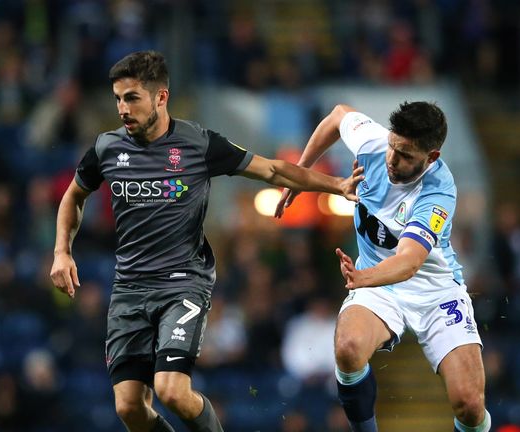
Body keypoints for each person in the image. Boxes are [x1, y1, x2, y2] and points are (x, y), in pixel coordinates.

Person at [49, 50, 364, 432]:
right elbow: (74, 195)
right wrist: (62, 251)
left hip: (183, 284)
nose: (122, 109)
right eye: (117, 99)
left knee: (171, 391)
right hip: (129, 289)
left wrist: (336, 184)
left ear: (161, 97)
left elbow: (272, 169)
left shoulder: (198, 143)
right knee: (129, 408)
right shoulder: (107, 148)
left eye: (131, 98)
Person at [275, 102, 490, 432]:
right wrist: (300, 174)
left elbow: (408, 262)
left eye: (405, 155)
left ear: (431, 157)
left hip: (434, 292)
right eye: (393, 146)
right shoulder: (374, 143)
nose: (392, 159)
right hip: (380, 286)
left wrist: (362, 277)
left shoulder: (438, 192)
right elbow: (337, 115)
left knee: (470, 405)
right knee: (348, 348)